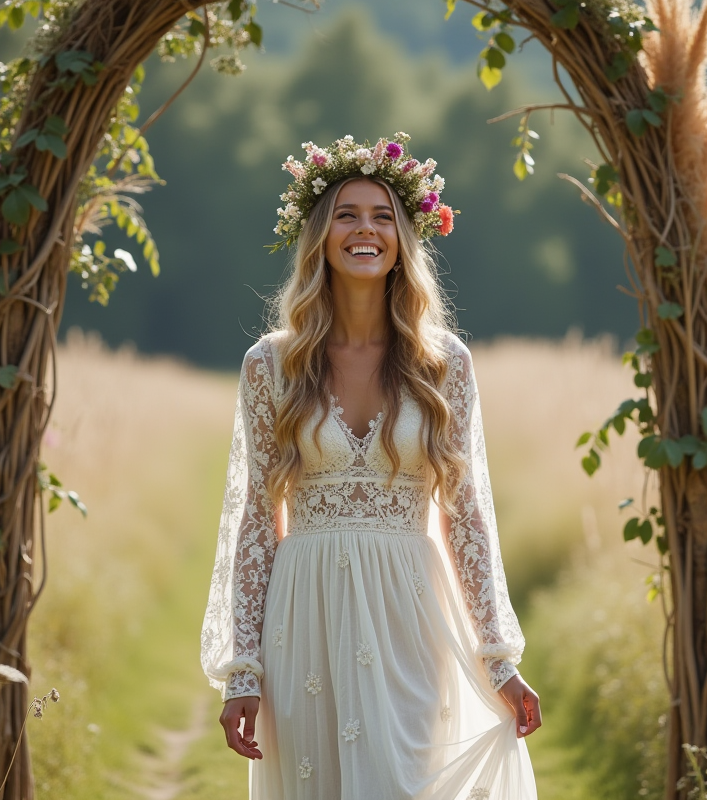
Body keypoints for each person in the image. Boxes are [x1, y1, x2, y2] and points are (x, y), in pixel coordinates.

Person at [201, 133, 541, 799]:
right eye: (347, 215)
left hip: (413, 609)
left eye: (383, 215)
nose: (365, 230)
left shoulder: (446, 364)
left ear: (403, 239)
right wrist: (243, 671)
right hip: (305, 612)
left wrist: (497, 657)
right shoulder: (271, 364)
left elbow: (467, 515)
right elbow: (255, 520)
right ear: (321, 237)